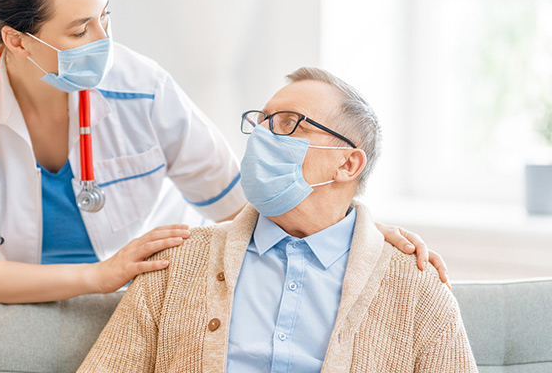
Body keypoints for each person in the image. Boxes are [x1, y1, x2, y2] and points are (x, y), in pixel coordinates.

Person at [0, 0, 445, 304]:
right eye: (79, 31)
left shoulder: (141, 87)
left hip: (152, 303)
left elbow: (247, 199)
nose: (105, 42)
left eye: (105, 17)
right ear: (17, 40)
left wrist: (360, 231)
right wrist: (97, 277)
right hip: (27, 310)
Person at [77, 67, 476, 372]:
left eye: (288, 123)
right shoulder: (176, 262)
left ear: (348, 163)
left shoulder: (416, 287)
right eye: (262, 121)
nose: (263, 135)